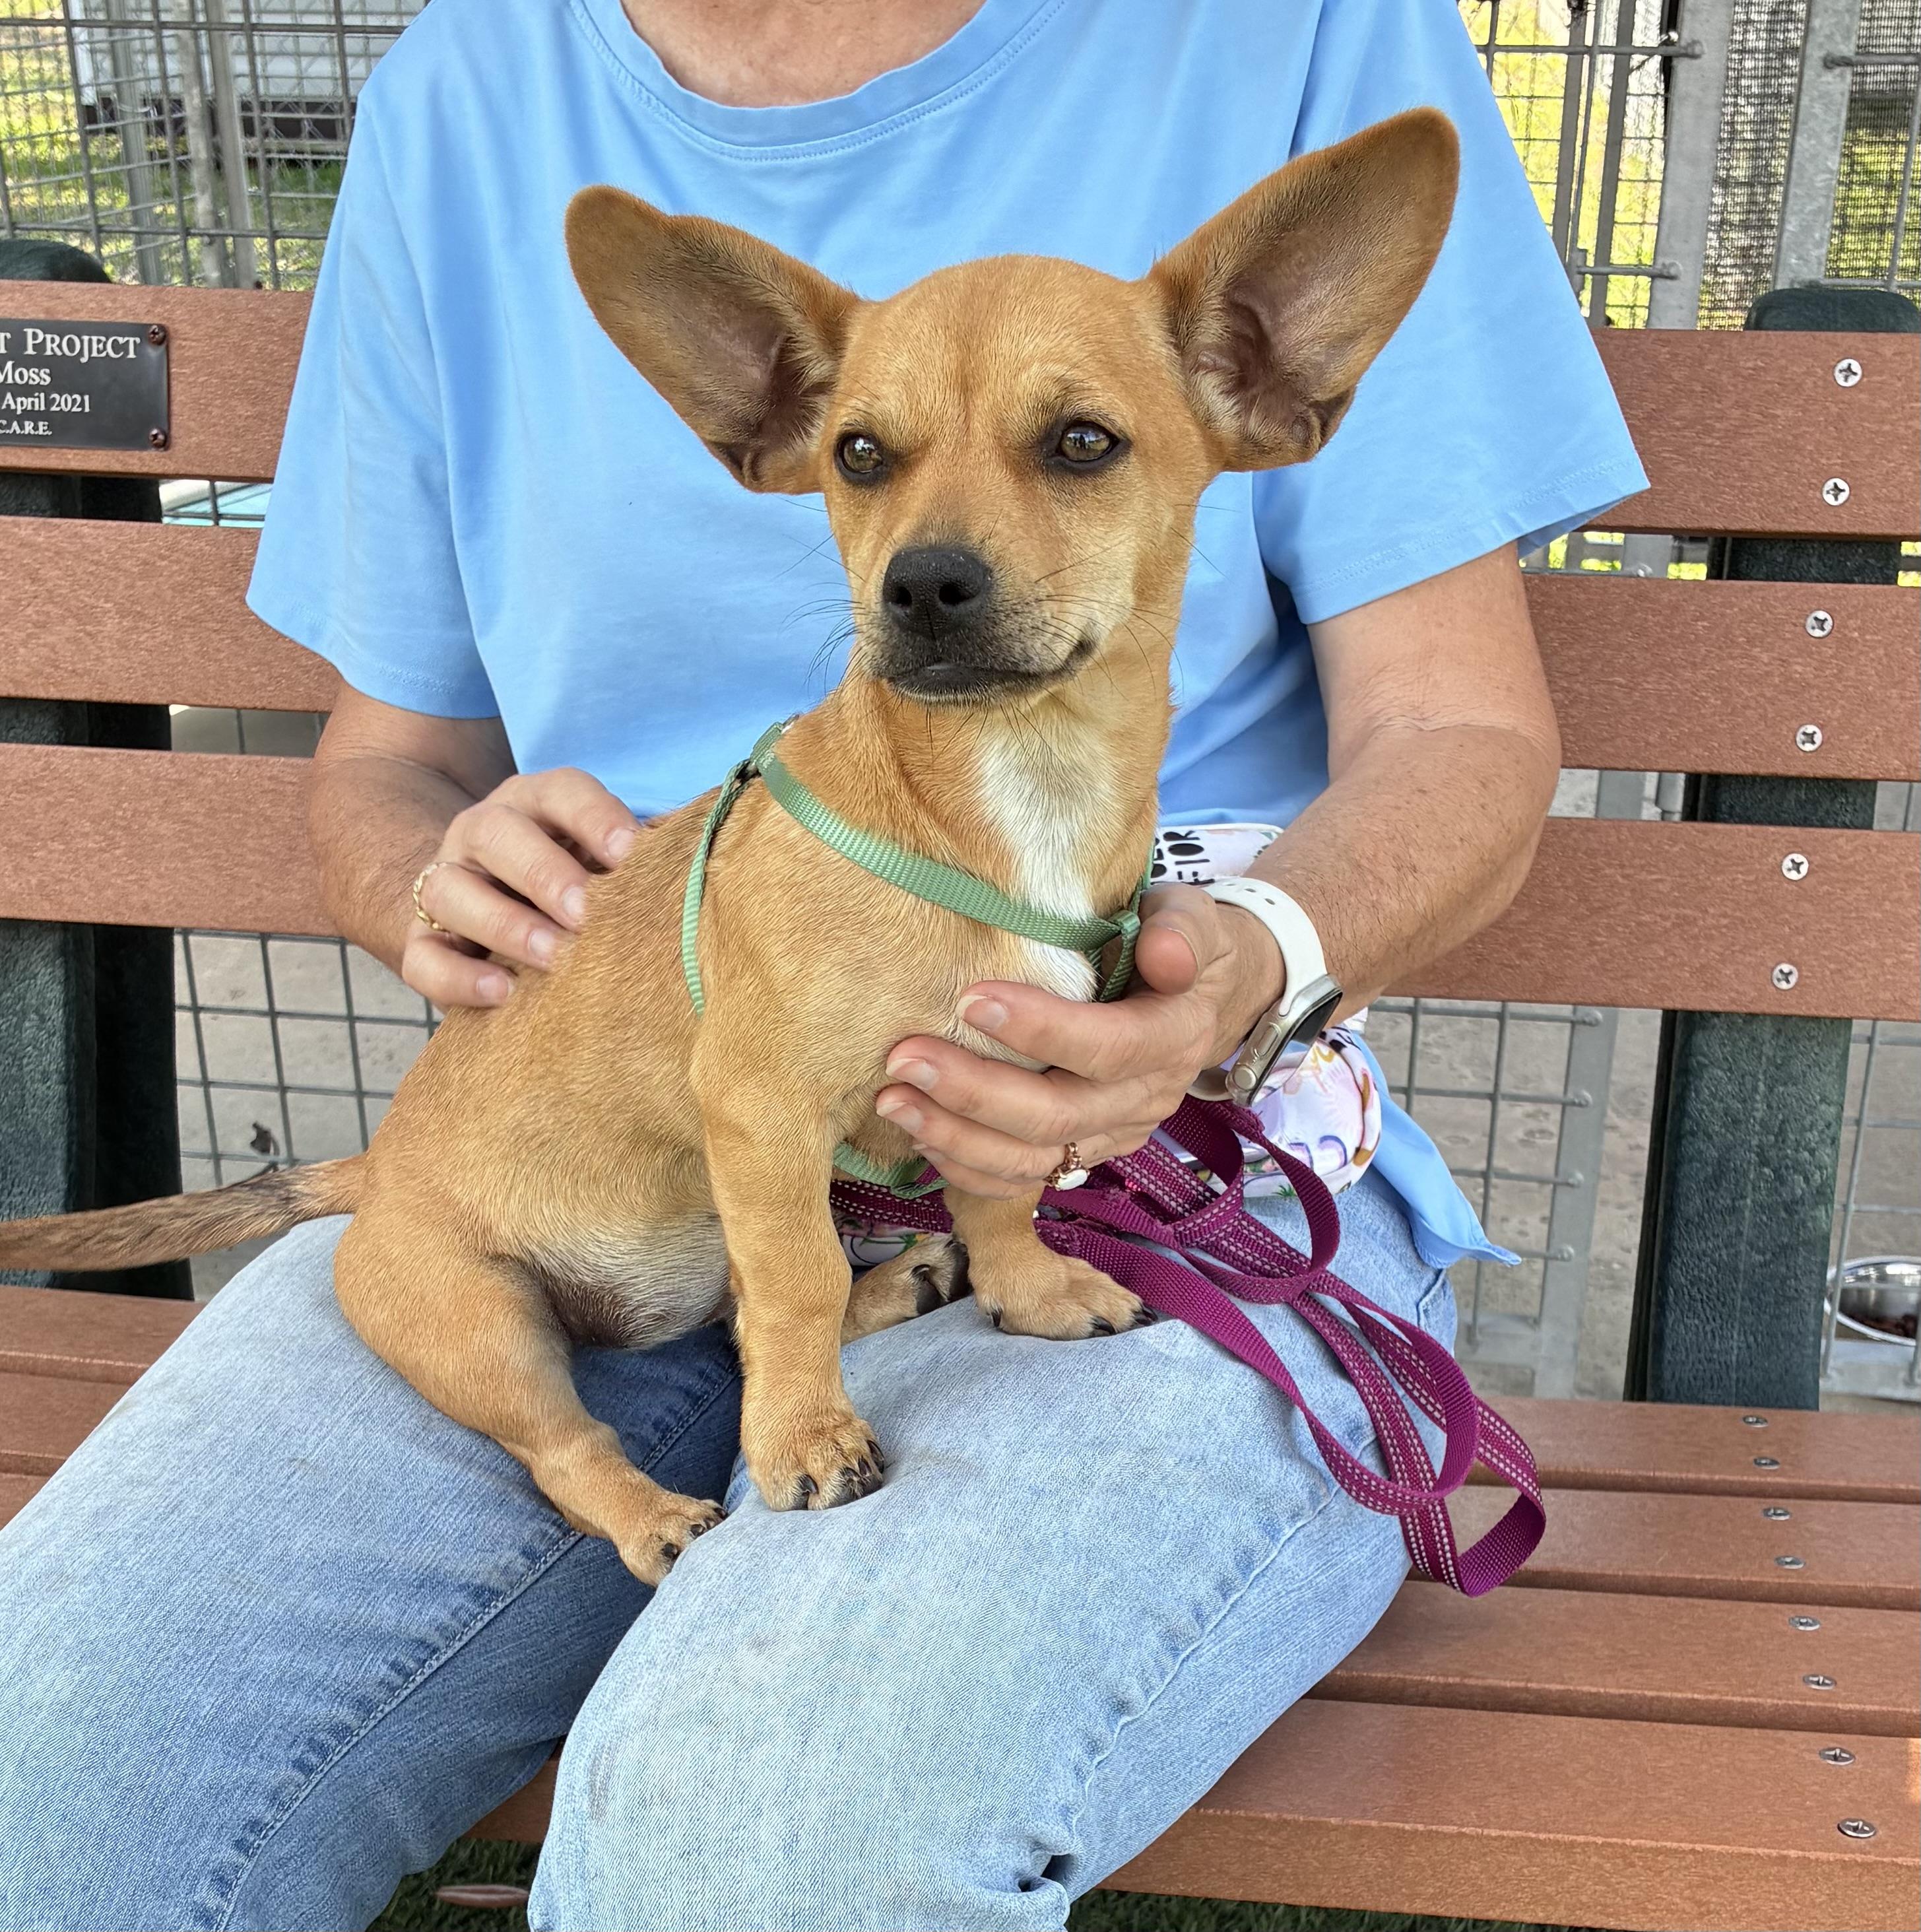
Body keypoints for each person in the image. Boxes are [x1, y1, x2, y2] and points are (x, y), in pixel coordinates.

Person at [0, 2, 1644, 1927]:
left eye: (1078, 448)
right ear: (783, 432)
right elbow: (387, 765)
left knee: (754, 1849)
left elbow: (1464, 745)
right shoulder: (468, 90)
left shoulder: (1290, 34)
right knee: (53, 1802)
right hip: (602, 1174)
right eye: (868, 466)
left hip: (1172, 1168)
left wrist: (1247, 964)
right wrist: (423, 867)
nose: (930, 558)